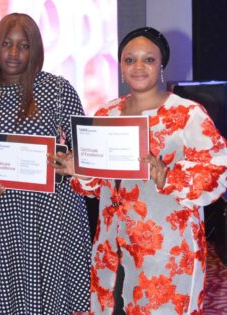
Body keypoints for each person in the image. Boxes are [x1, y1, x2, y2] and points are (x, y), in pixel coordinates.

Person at [62, 27, 227, 314]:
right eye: (129, 60)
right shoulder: (106, 114)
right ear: (121, 67)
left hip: (165, 251)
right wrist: (78, 169)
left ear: (161, 65)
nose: (138, 67)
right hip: (111, 246)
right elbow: (95, 185)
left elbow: (218, 170)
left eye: (148, 60)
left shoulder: (187, 114)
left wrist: (169, 176)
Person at [0, 13, 91, 314]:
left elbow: (85, 153)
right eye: (7, 44)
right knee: (2, 301)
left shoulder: (58, 91)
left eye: (24, 45)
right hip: (0, 216)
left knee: (53, 300)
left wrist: (71, 162)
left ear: (36, 50)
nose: (14, 53)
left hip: (52, 215)